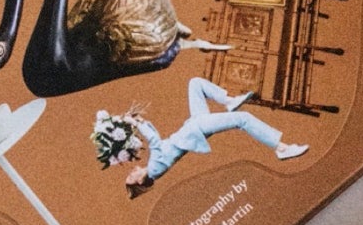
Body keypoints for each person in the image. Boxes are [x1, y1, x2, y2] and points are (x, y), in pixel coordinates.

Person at [90, 77, 307, 194]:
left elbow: (156, 137)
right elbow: (154, 141)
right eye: (131, 177)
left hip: (194, 124)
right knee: (243, 119)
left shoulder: (153, 166)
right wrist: (134, 123)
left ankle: (228, 100)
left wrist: (137, 121)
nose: (131, 172)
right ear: (140, 181)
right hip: (197, 129)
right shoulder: (154, 170)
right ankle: (281, 148)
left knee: (195, 84)